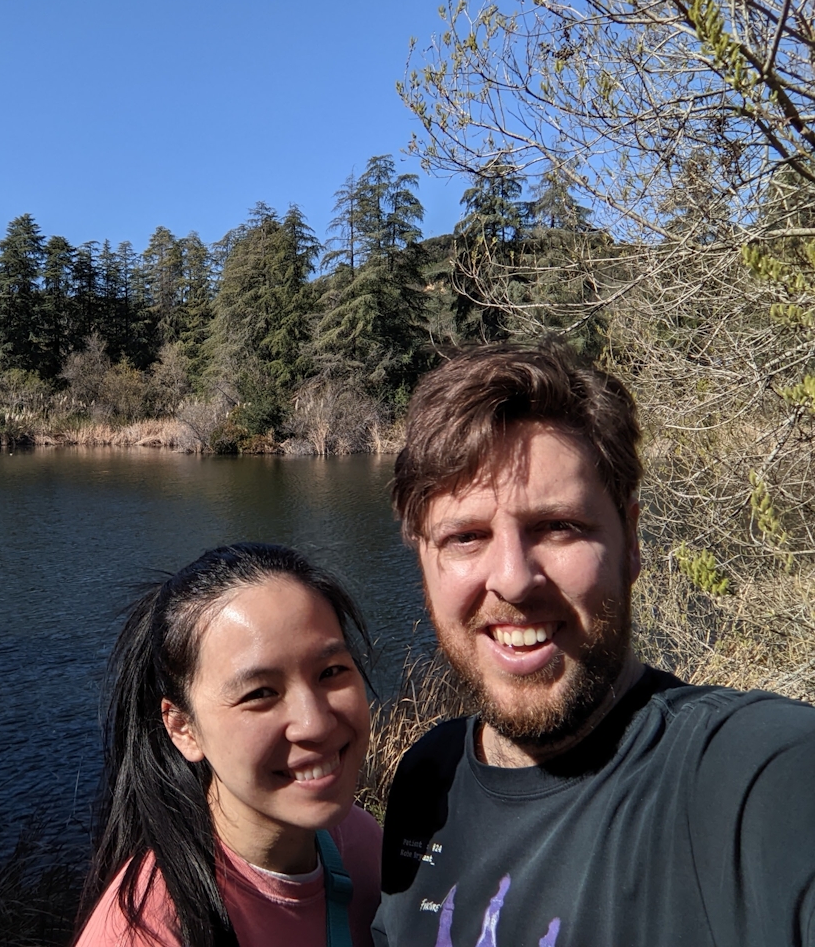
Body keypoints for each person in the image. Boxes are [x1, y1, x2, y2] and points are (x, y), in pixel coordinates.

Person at [372, 341, 815, 947]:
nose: (512, 577)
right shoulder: (428, 780)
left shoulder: (745, 777)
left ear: (630, 540)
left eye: (558, 526)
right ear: (423, 564)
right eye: (466, 537)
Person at [76, 543, 383, 947]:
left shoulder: (358, 843)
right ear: (183, 727)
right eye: (260, 693)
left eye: (331, 671)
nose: (315, 723)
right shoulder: (148, 932)